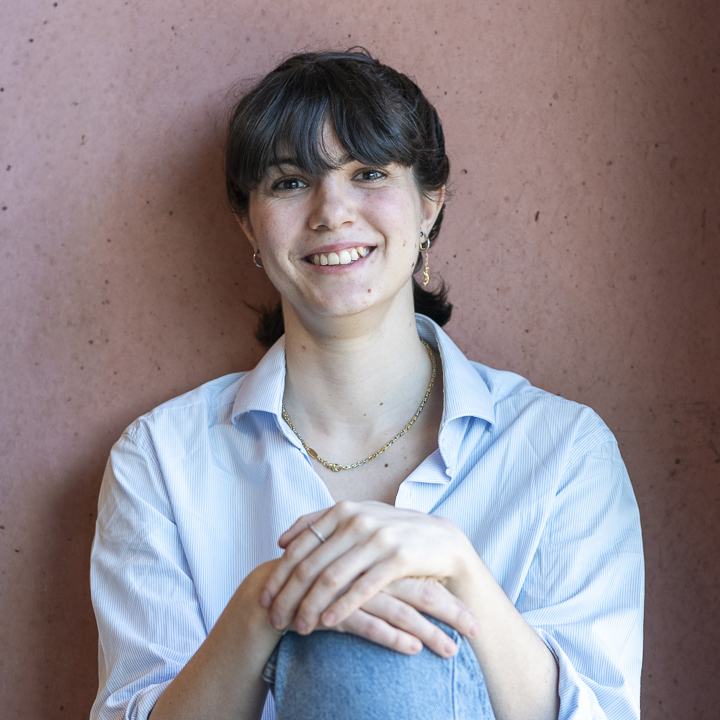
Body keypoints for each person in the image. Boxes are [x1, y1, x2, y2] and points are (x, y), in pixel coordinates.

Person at [90, 50, 644, 720]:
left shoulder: (563, 451)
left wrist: (460, 571)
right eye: (290, 182)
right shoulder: (159, 458)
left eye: (369, 173)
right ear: (247, 223)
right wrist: (268, 605)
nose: (332, 212)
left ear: (430, 203)